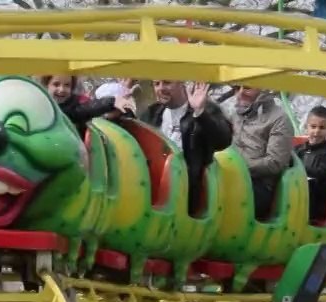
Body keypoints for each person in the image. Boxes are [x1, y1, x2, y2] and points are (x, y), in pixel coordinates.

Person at [139, 81, 232, 213]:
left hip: (187, 190)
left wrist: (200, 113)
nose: (161, 88)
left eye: (167, 82)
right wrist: (121, 114)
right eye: (156, 84)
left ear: (182, 83)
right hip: (152, 186)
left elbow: (223, 141)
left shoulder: (206, 109)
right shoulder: (152, 112)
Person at [230, 86, 295, 221]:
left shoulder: (279, 118)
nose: (240, 93)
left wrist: (239, 168)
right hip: (230, 176)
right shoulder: (235, 115)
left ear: (262, 88)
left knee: (226, 194)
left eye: (247, 88)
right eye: (237, 88)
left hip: (258, 184)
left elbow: (275, 162)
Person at [41, 75, 136, 136]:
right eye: (56, 84)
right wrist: (112, 101)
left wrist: (112, 102)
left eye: (67, 85)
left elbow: (86, 109)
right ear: (46, 85)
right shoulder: (41, 105)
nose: (62, 89)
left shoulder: (74, 104)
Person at [296, 106, 326, 222]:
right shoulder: (299, 149)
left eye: (322, 128)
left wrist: (301, 169)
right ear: (307, 126)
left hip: (315, 199)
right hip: (295, 188)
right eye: (313, 127)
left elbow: (323, 173)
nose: (317, 131)